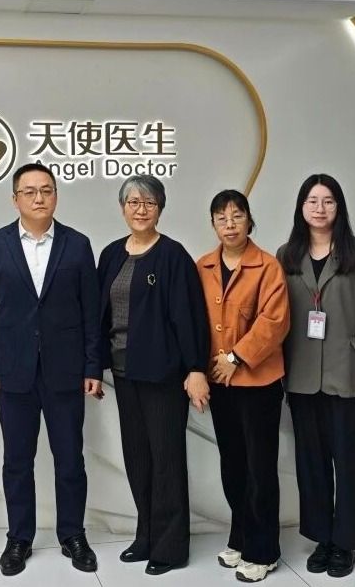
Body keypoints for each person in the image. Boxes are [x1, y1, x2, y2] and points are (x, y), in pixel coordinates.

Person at [0, 163, 102, 577]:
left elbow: (91, 312)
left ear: (56, 196)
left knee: (70, 459)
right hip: (14, 372)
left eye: (46, 190)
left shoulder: (77, 245)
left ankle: (73, 534)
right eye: (29, 192)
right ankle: (19, 538)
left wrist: (92, 365)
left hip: (65, 370)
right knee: (16, 460)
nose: (39, 198)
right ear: (15, 199)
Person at [96, 174, 209, 576]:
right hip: (124, 374)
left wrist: (195, 368)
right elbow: (99, 315)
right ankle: (145, 535)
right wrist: (94, 366)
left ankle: (171, 546)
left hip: (163, 375)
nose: (140, 210)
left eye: (149, 203)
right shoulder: (111, 254)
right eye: (133, 202)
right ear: (122, 208)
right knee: (138, 458)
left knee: (166, 461)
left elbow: (190, 318)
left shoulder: (173, 256)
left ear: (160, 209)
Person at [277, 173, 355, 579]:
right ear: (301, 207)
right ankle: (322, 537)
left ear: (338, 207)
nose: (319, 208)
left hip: (349, 374)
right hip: (302, 376)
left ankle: (346, 541)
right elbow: (278, 317)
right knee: (312, 464)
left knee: (349, 462)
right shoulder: (287, 254)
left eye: (328, 201)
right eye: (312, 201)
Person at [196, 189, 290, 583]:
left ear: (249, 220)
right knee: (232, 464)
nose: (230, 224)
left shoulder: (268, 266)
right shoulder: (203, 266)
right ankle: (241, 535)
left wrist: (235, 357)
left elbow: (275, 322)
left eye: (237, 216)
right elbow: (195, 319)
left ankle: (264, 550)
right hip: (221, 385)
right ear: (213, 224)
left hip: (258, 382)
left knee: (260, 467)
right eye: (221, 217)